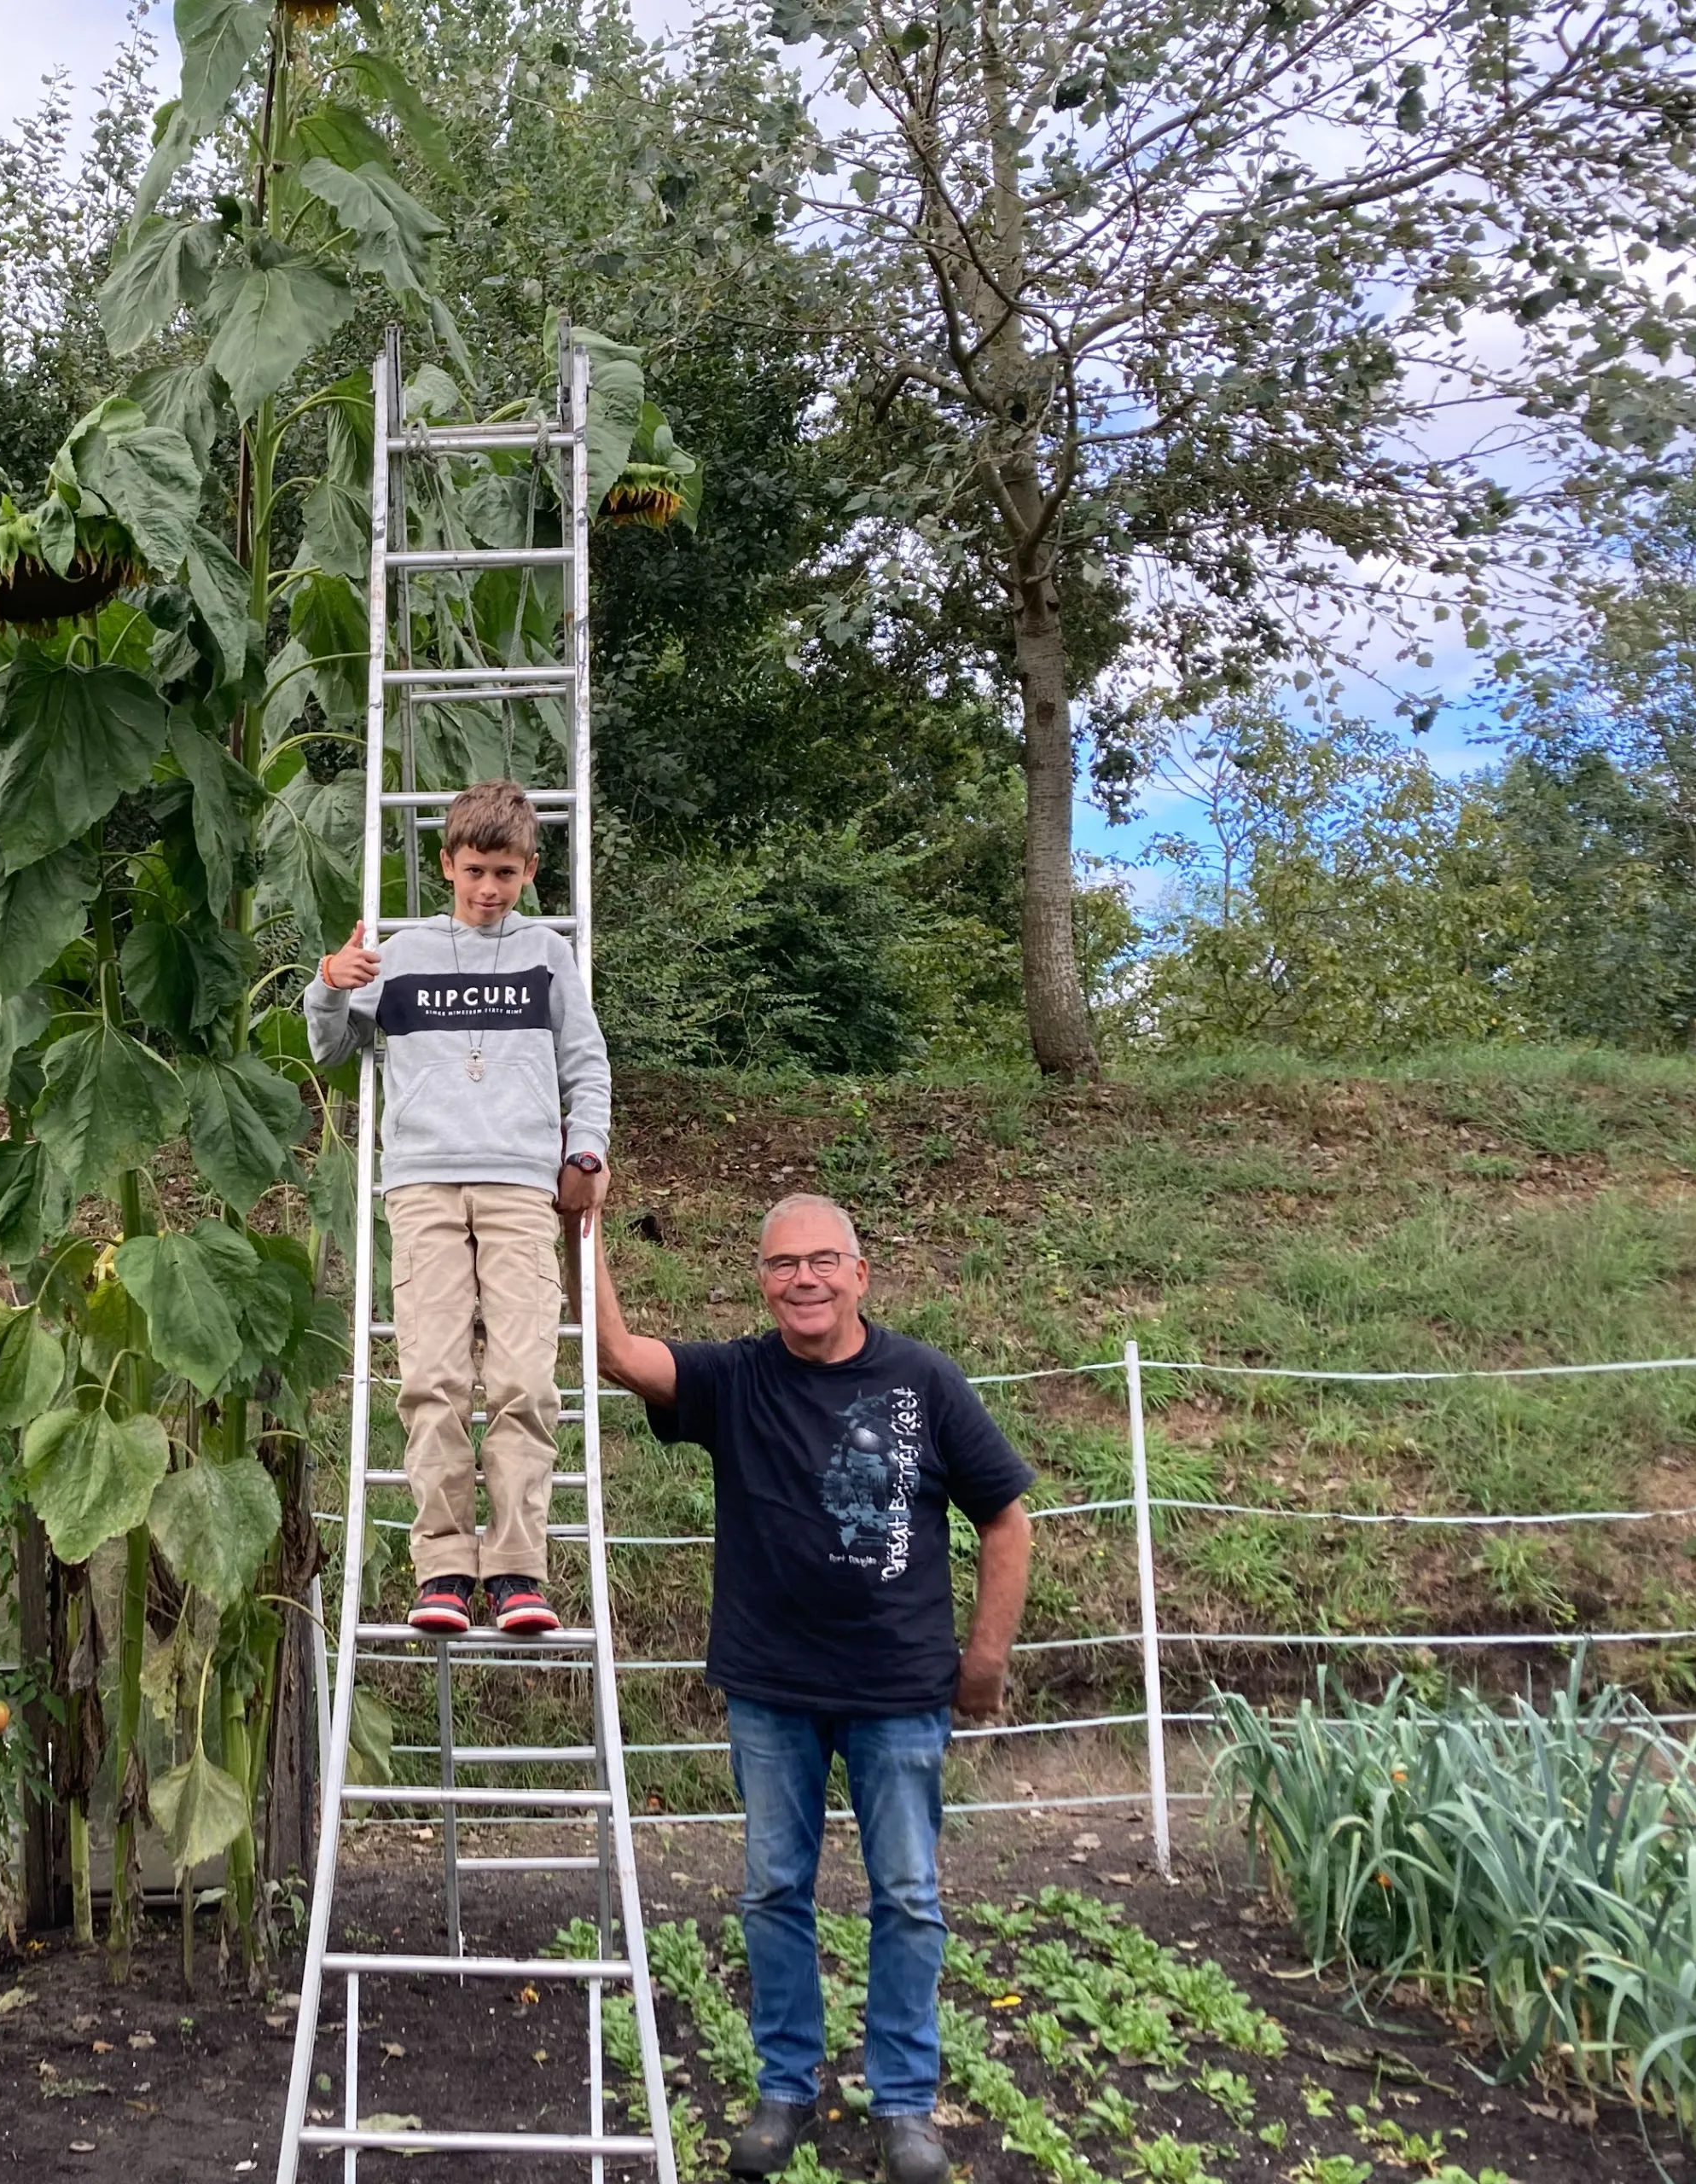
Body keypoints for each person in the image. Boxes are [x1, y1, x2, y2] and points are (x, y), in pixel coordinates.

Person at [584, 1190, 1032, 2182]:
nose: (805, 1279)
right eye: (784, 1264)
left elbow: (1005, 1519)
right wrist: (586, 1217)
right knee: (772, 1889)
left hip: (901, 1690)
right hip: (773, 1689)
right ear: (763, 1280)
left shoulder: (923, 1380)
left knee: (908, 1896)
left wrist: (987, 1658)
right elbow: (618, 1353)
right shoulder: (736, 1379)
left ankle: (907, 2103)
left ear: (860, 1273)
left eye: (824, 1260)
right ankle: (786, 2087)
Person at [307, 778, 612, 1636]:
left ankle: (515, 1570)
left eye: (506, 872)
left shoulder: (548, 954)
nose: (489, 888)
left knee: (523, 1377)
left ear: (529, 870)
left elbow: (586, 1063)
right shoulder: (400, 955)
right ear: (446, 864)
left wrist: (586, 1147)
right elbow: (333, 1044)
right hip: (422, 1185)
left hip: (520, 1184)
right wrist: (329, 983)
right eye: (475, 869)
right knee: (432, 1377)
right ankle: (443, 1565)